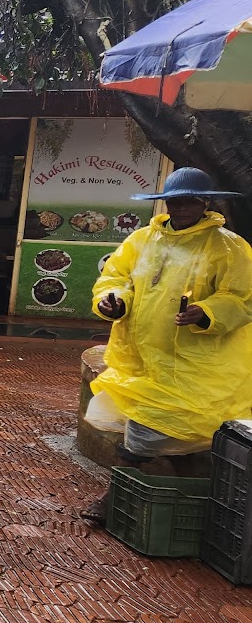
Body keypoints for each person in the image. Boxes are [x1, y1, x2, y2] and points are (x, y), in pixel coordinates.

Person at [91, 166, 252, 464]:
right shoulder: (142, 240)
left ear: (206, 203)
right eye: (174, 201)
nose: (181, 208)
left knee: (158, 433)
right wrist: (113, 302)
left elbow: (241, 296)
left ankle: (118, 494)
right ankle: (154, 493)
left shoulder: (228, 246)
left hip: (196, 365)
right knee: (152, 429)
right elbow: (117, 278)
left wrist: (205, 313)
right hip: (141, 359)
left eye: (190, 201)